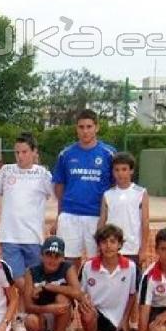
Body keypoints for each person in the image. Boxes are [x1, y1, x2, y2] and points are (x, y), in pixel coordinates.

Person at [0, 132, 54, 331]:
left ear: (35, 153)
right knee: (18, 279)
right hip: (9, 237)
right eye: (17, 152)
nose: (20, 156)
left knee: (33, 279)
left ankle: (23, 316)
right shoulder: (6, 171)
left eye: (25, 152)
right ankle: (28, 311)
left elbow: (54, 195)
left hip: (34, 238)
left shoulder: (44, 175)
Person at [52, 109, 116, 268]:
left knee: (98, 262)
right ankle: (73, 292)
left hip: (96, 217)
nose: (85, 131)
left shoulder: (109, 154)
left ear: (97, 127)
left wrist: (106, 216)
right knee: (68, 262)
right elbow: (59, 186)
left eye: (89, 126)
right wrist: (59, 215)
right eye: (81, 127)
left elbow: (114, 187)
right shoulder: (65, 154)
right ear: (76, 128)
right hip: (69, 216)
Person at [78, 224, 138, 331]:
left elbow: (132, 295)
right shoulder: (88, 266)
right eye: (104, 242)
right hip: (96, 315)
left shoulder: (131, 267)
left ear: (119, 245)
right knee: (87, 312)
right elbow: (80, 292)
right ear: (98, 245)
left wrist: (125, 320)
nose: (108, 246)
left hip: (117, 320)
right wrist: (84, 303)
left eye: (112, 241)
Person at [23, 236, 82, 331]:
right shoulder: (31, 272)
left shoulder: (68, 268)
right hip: (42, 313)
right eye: (48, 254)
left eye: (57, 256)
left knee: (62, 299)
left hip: (63, 313)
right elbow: (27, 306)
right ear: (41, 255)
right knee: (30, 322)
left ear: (63, 258)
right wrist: (48, 309)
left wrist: (48, 287)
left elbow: (78, 293)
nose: (52, 259)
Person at [99, 151, 149, 268]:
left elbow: (145, 222)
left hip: (133, 249)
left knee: (133, 284)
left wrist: (143, 249)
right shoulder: (107, 194)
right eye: (116, 170)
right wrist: (100, 244)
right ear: (113, 172)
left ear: (131, 171)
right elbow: (102, 221)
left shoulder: (141, 192)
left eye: (124, 169)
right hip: (111, 249)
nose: (120, 173)